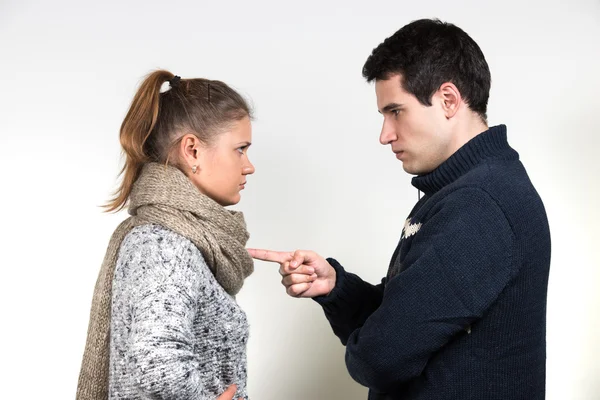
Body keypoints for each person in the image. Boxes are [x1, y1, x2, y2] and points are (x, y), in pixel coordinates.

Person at [249, 19, 551, 400]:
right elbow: (410, 322)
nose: (385, 134)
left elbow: (379, 359)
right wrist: (337, 288)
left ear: (448, 100)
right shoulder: (467, 189)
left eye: (396, 111)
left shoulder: (478, 206)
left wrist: (370, 347)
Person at [77, 70, 256, 400]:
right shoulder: (164, 245)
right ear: (192, 151)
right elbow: (160, 363)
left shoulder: (174, 238)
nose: (249, 166)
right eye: (240, 149)